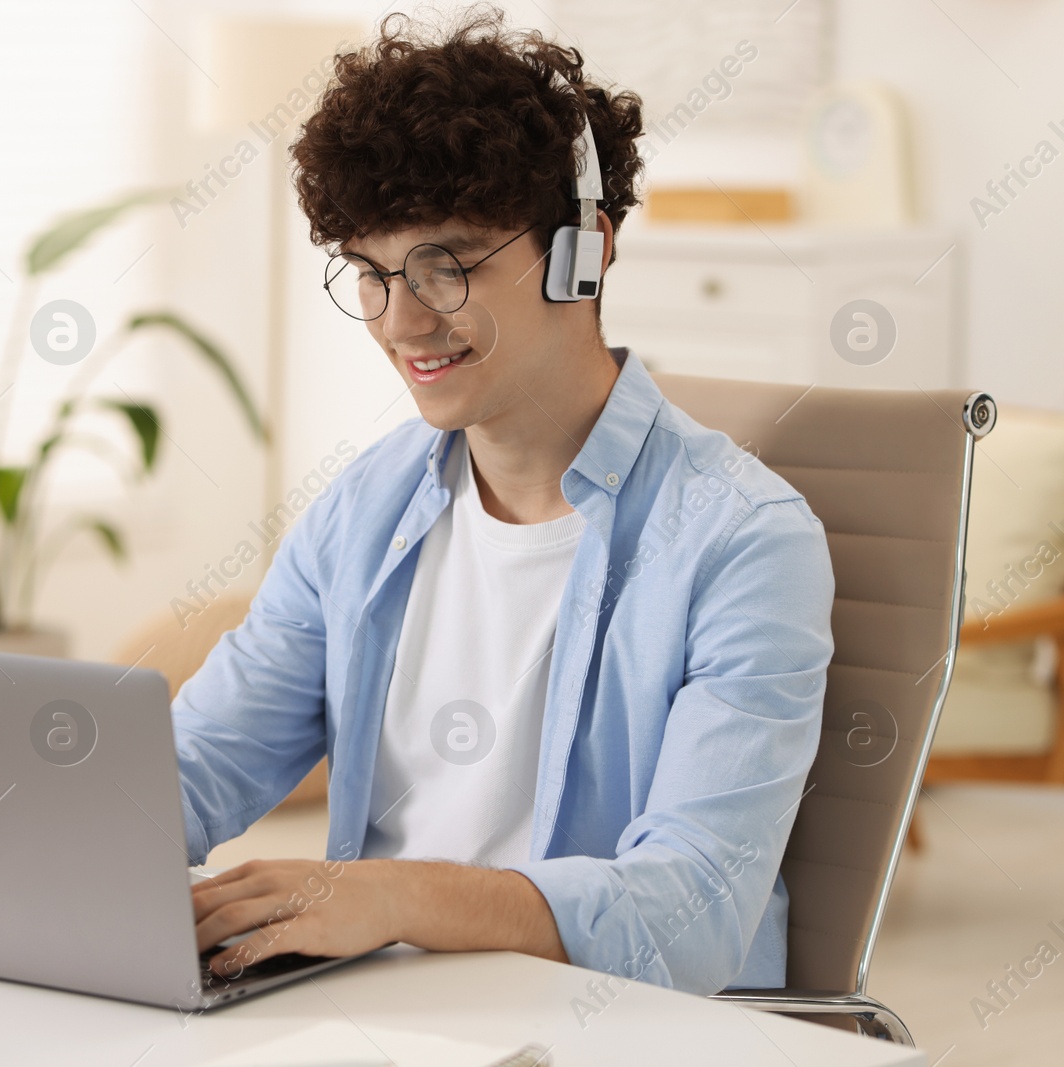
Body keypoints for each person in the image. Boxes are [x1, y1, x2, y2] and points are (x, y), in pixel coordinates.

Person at [177, 6, 834, 997]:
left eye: (449, 264)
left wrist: (392, 896)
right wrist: (52, 832)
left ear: (584, 250)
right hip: (370, 1010)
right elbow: (200, 759)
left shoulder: (743, 541)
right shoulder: (360, 510)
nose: (401, 320)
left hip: (605, 1028)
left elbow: (692, 914)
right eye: (370, 271)